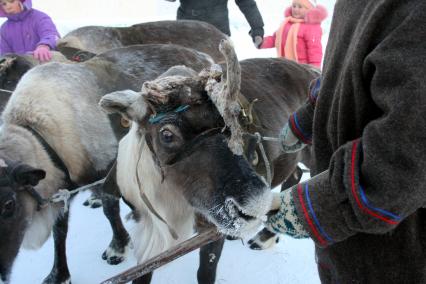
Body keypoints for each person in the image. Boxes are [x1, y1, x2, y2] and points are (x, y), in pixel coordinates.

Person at [264, 0, 426, 283]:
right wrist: (310, 114)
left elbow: (407, 160)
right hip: (346, 248)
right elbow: (343, 66)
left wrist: (324, 204)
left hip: (396, 256)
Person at [164, 0, 265, 49]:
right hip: (187, 34)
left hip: (218, 36)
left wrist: (257, 28)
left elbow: (246, 3)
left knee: (220, 79)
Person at [260, 0, 327, 68]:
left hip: (302, 69)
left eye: (300, 7)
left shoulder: (312, 27)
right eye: (294, 6)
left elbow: (314, 50)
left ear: (309, 10)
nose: (295, 9)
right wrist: (262, 42)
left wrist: (314, 69)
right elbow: (276, 39)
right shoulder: (287, 23)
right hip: (285, 66)